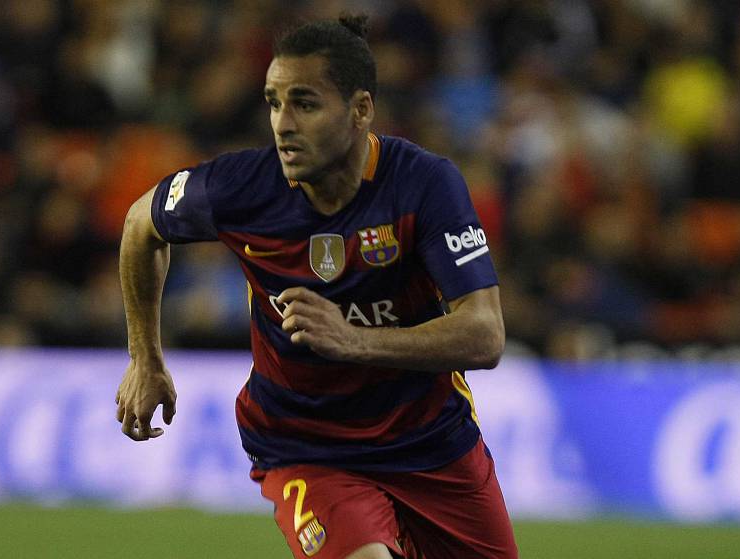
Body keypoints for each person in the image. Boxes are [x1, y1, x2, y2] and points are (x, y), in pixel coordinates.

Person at [116, 13, 517, 559]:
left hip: (431, 443)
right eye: (273, 103)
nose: (282, 124)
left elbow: (485, 334)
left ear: (361, 110)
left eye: (304, 104)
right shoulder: (241, 188)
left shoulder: (424, 185)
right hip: (306, 446)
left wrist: (352, 339)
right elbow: (141, 226)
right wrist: (145, 359)